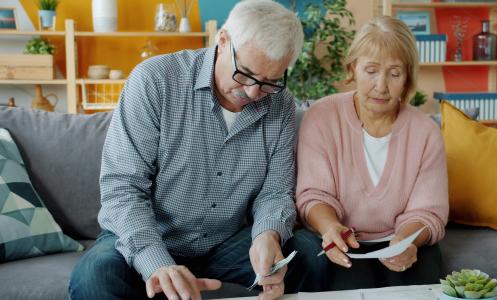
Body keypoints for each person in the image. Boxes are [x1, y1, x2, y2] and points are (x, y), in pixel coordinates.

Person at [69, 1, 326, 299]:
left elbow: (275, 192)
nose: (254, 93)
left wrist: (267, 234)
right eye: (246, 74)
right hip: (144, 238)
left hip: (223, 244)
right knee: (93, 278)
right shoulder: (154, 81)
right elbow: (123, 188)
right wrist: (157, 264)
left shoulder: (280, 105)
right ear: (222, 40)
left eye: (270, 81)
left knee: (308, 253)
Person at [296, 16, 449, 289]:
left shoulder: (426, 132)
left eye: (394, 73)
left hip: (404, 240)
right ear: (353, 68)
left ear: (407, 79)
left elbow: (428, 212)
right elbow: (312, 195)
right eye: (371, 71)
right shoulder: (321, 117)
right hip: (344, 241)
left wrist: (406, 241)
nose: (381, 86)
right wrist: (331, 227)